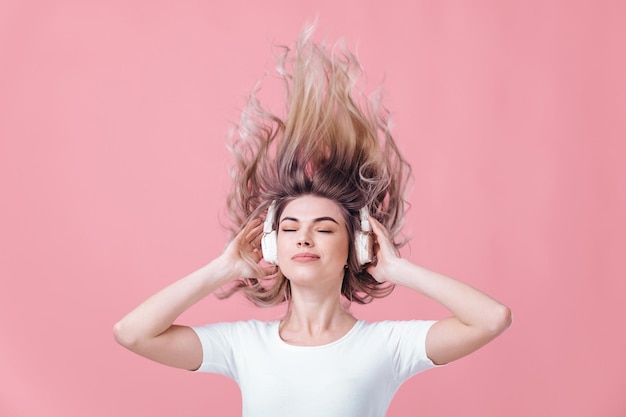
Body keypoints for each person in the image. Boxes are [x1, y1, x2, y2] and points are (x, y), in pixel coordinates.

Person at [113, 25, 512, 417]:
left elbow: (491, 319)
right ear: (272, 247)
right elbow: (132, 333)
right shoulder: (244, 345)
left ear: (354, 247)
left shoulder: (388, 345)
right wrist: (226, 267)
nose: (304, 239)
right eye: (289, 229)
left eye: (323, 228)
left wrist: (396, 268)